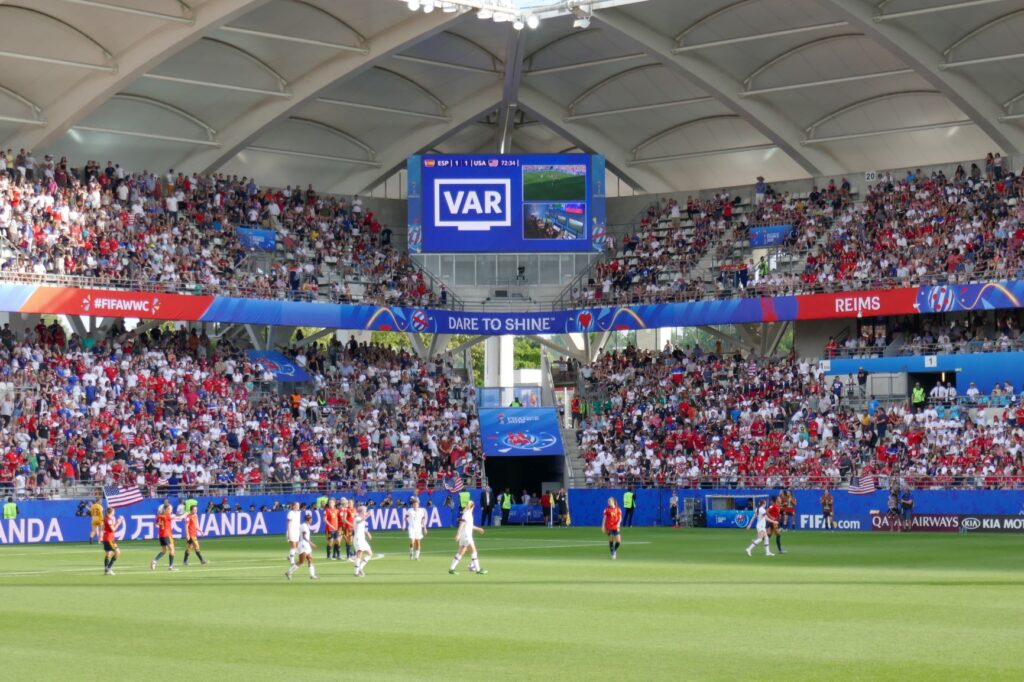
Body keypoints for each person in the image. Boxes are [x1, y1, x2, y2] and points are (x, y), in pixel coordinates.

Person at [449, 500, 486, 575]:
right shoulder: (467, 514)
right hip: (467, 536)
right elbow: (462, 524)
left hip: (464, 536)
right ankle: (478, 569)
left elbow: (469, 525)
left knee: (460, 553)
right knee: (474, 552)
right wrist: (458, 534)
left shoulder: (467, 513)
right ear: (473, 506)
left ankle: (452, 569)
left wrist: (478, 529)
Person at [286, 511, 318, 580]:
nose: (311, 521)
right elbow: (304, 536)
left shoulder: (306, 526)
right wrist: (311, 543)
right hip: (303, 544)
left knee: (310, 559)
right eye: (311, 519)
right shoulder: (304, 526)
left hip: (306, 544)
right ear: (308, 520)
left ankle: (312, 575)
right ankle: (289, 572)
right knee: (301, 561)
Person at [150, 504, 179, 571]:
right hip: (167, 535)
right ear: (166, 509)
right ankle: (171, 567)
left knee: (164, 550)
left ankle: (154, 561)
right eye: (170, 509)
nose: (171, 510)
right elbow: (178, 517)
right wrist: (185, 514)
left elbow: (154, 524)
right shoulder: (167, 516)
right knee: (172, 549)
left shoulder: (159, 516)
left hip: (161, 535)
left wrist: (158, 525)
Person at [102, 507, 124, 576]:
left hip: (106, 538)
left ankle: (106, 570)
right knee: (117, 552)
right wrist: (118, 523)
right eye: (113, 511)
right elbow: (113, 529)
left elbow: (103, 528)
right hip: (109, 539)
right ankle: (109, 568)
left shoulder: (106, 519)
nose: (114, 512)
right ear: (111, 512)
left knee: (108, 553)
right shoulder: (109, 520)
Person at [352, 506, 373, 577]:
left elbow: (362, 527)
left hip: (362, 539)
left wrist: (367, 533)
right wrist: (368, 515)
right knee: (359, 553)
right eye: (365, 510)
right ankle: (356, 572)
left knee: (370, 553)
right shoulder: (357, 518)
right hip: (358, 538)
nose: (366, 511)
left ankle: (360, 568)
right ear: (361, 512)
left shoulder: (361, 518)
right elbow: (359, 522)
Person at [286, 501, 302, 566]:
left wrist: (300, 530)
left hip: (297, 531)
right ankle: (292, 561)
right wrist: (289, 533)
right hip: (291, 531)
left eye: (298, 505)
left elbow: (298, 523)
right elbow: (289, 523)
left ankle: (290, 556)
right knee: (293, 546)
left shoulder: (299, 513)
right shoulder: (290, 513)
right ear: (293, 506)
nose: (298, 506)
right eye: (296, 505)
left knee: (296, 547)